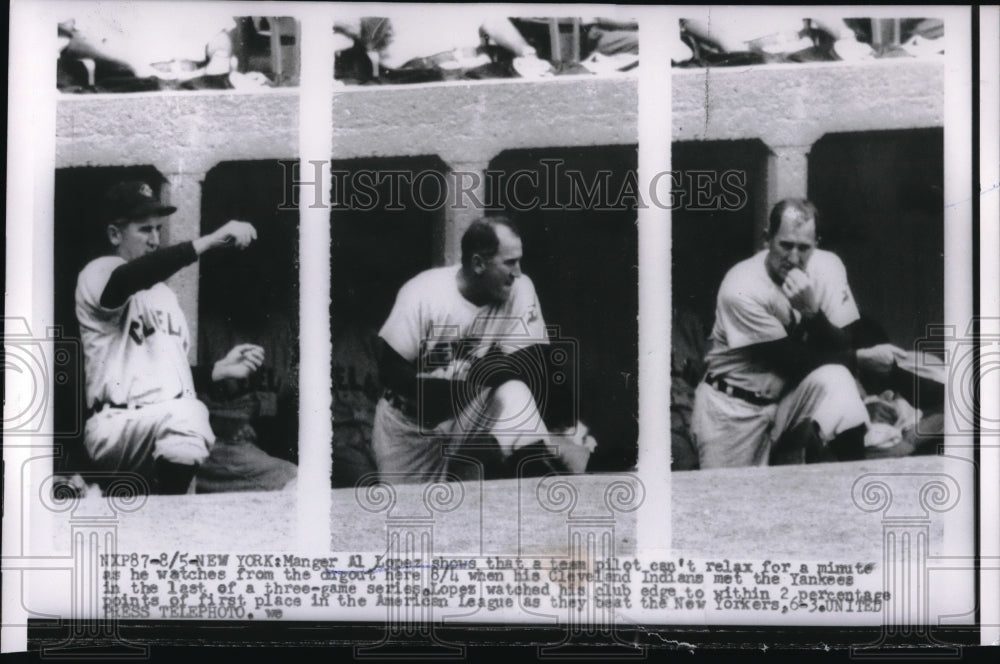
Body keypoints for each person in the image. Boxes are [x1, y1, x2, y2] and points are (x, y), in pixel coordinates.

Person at [371, 216, 595, 484]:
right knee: (406, 515)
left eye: (519, 261)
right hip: (409, 423)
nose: (518, 272)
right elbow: (390, 370)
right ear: (478, 263)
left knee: (514, 392)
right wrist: (449, 391)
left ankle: (542, 488)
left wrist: (561, 431)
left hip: (465, 410)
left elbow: (535, 363)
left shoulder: (519, 288)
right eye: (509, 262)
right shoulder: (424, 292)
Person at [75, 181, 264, 494]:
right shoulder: (100, 272)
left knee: (186, 414)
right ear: (114, 235)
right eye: (144, 230)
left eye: (158, 230)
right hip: (117, 427)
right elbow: (128, 279)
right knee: (189, 416)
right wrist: (210, 240)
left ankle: (153, 507)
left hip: (163, 428)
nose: (155, 239)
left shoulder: (166, 297)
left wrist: (219, 370)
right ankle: (163, 514)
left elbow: (158, 379)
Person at [690, 198, 908, 469]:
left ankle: (856, 482)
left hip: (785, 401)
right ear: (767, 239)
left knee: (837, 379)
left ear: (816, 242)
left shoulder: (827, 267)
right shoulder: (741, 286)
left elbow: (844, 341)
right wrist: (860, 359)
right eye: (785, 245)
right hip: (733, 407)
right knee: (728, 505)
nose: (794, 258)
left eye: (803, 247)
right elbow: (792, 361)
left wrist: (813, 314)